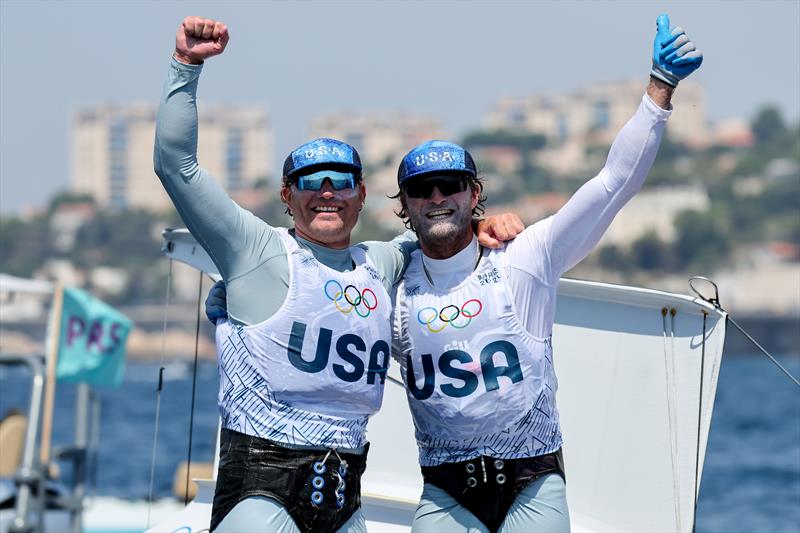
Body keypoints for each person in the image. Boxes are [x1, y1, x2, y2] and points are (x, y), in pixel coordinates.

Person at [155, 16, 518, 533]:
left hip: (345, 496)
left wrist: (488, 222)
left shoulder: (383, 262)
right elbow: (176, 166)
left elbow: (441, 227)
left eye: (342, 181)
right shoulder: (256, 250)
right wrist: (186, 66)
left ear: (361, 196)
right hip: (262, 487)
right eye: (310, 182)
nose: (327, 191)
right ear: (287, 198)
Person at [387, 14, 703, 532]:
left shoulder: (526, 257)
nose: (438, 197)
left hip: (532, 484)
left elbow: (612, 184)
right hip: (444, 493)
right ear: (405, 205)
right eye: (423, 189)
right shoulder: (392, 282)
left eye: (450, 185)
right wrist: (237, 308)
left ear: (474, 194)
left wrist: (659, 90)